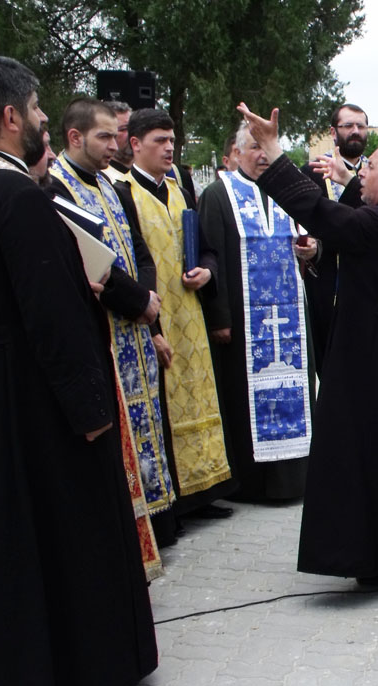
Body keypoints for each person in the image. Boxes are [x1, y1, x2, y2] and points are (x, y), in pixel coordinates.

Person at [0, 55, 157, 686]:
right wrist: (91, 412)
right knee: (71, 539)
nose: (41, 119)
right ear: (11, 116)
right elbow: (52, 319)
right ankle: (88, 680)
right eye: (37, 109)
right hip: (42, 408)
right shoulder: (19, 198)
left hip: (10, 398)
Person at [237, 102, 378, 584]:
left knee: (368, 448)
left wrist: (273, 151)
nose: (361, 171)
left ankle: (375, 556)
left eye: (370, 168)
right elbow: (349, 213)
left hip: (373, 352)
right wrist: (350, 180)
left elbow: (321, 213)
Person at [48, 97, 176, 553]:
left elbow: (139, 252)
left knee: (149, 427)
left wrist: (148, 303)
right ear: (75, 137)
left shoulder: (110, 184)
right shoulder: (56, 187)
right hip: (105, 329)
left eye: (115, 135)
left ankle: (158, 525)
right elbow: (90, 261)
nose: (113, 145)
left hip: (137, 329)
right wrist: (138, 301)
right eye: (104, 136)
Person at [114, 108, 237, 521]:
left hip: (191, 315)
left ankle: (204, 490)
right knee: (164, 409)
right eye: (160, 141)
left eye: (172, 141)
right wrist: (151, 328)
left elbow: (207, 249)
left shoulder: (180, 190)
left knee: (198, 398)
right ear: (135, 144)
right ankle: (174, 501)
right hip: (157, 319)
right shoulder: (123, 193)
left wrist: (208, 271)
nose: (169, 148)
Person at [198, 120, 315, 502]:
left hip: (291, 321)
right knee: (243, 398)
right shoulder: (219, 194)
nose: (263, 155)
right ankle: (251, 484)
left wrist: (313, 251)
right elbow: (211, 253)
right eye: (254, 148)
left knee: (296, 392)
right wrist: (220, 318)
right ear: (237, 152)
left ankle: (297, 479)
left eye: (267, 147)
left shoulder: (290, 191)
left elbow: (316, 238)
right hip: (244, 322)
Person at [299, 102, 367, 375]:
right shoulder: (312, 171)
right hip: (327, 281)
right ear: (333, 132)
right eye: (348, 125)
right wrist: (312, 245)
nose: (355, 131)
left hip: (367, 281)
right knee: (329, 363)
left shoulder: (376, 172)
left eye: (361, 126)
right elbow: (303, 222)